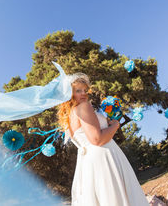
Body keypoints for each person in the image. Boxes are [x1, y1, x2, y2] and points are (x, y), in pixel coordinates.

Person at [57, 73, 150, 206]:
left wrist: (107, 121)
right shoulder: (83, 107)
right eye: (78, 91)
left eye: (85, 90)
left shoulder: (69, 117)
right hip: (104, 156)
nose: (83, 94)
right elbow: (97, 139)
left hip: (89, 162)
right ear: (70, 93)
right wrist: (116, 124)